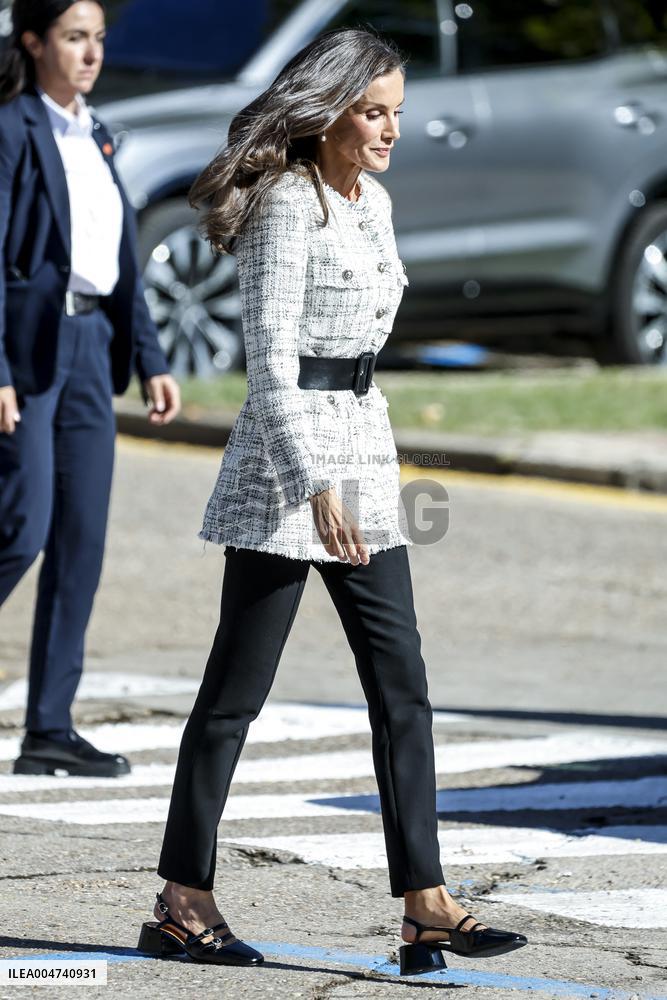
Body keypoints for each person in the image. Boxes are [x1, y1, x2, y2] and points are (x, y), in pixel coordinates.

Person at [138, 28, 527, 976]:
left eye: (397, 110)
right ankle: (181, 900)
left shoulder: (375, 201)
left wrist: (367, 473)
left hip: (363, 453)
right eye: (373, 111)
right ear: (329, 115)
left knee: (403, 687)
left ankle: (424, 906)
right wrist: (312, 482)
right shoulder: (283, 205)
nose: (391, 128)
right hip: (287, 470)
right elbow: (269, 366)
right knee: (235, 698)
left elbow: (362, 354)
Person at [0, 0, 181, 779]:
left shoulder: (96, 132)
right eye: (75, 37)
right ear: (34, 41)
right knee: (22, 529)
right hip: (27, 352)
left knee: (82, 543)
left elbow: (121, 259)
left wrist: (151, 357)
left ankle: (48, 727)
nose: (91, 53)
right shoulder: (11, 127)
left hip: (91, 347)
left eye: (99, 38)